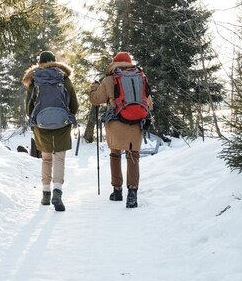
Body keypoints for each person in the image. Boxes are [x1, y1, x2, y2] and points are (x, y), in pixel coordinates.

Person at [89, 52, 153, 208]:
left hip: (116, 122)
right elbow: (149, 104)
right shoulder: (141, 77)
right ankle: (132, 193)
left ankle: (117, 191)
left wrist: (94, 87)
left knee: (115, 154)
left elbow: (96, 100)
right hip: (136, 122)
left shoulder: (109, 79)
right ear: (129, 62)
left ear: (114, 63)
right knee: (133, 156)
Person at [22, 51, 79, 212]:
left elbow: (29, 108)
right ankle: (57, 192)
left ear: (39, 63)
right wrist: (68, 116)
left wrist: (37, 119)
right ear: (54, 62)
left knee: (46, 158)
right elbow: (74, 104)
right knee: (59, 158)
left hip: (42, 125)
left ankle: (45, 194)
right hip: (62, 124)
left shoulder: (35, 80)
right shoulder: (63, 78)